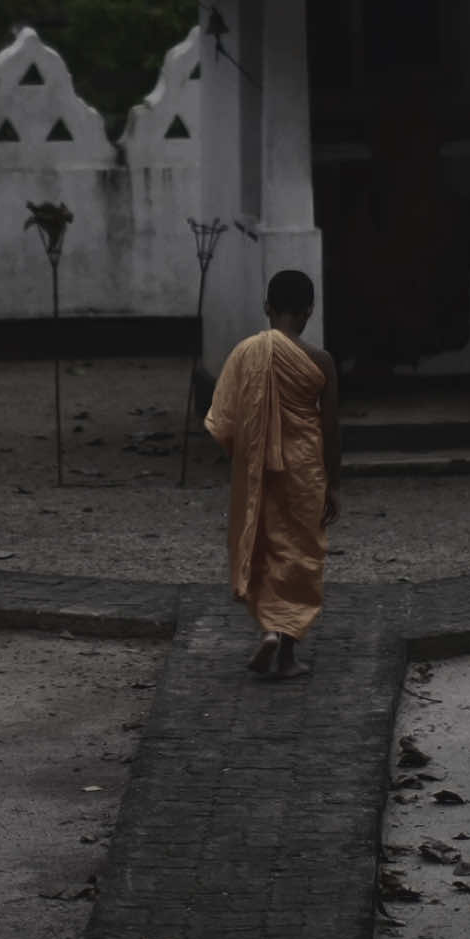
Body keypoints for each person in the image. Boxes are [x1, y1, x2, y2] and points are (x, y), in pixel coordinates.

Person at [204, 269, 341, 679]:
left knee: (265, 547)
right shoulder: (321, 361)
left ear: (267, 307)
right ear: (310, 311)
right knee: (300, 556)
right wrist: (333, 483)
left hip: (259, 469)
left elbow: (223, 421)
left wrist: (249, 453)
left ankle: (268, 630)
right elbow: (331, 428)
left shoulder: (246, 351)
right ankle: (287, 653)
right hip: (305, 470)